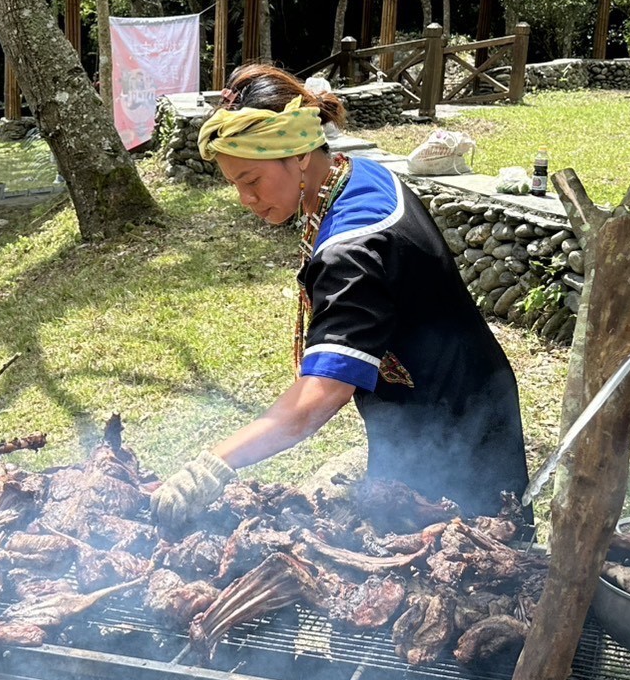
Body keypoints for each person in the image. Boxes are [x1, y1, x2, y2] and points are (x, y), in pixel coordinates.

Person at [149, 64, 529, 532]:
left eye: (251, 180)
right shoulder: (354, 177)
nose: (245, 199)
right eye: (235, 185)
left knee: (475, 562)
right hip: (422, 408)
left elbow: (320, 395)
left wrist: (211, 466)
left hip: (455, 429)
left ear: (301, 155)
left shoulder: (353, 249)